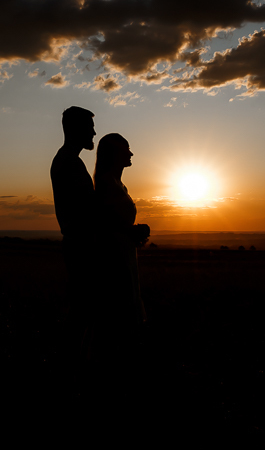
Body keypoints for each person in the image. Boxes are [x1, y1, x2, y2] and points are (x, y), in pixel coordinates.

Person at [89, 133, 149, 363]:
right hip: (113, 258)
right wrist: (130, 231)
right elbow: (103, 224)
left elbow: (115, 222)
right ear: (114, 153)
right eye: (127, 149)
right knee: (117, 313)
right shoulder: (105, 183)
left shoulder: (118, 183)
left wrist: (133, 231)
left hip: (126, 254)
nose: (131, 153)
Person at [50, 106, 97, 356]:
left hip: (77, 245)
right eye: (89, 128)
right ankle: (68, 368)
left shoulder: (67, 160)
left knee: (82, 311)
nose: (94, 133)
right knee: (82, 312)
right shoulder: (70, 163)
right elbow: (88, 211)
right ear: (77, 129)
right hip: (80, 247)